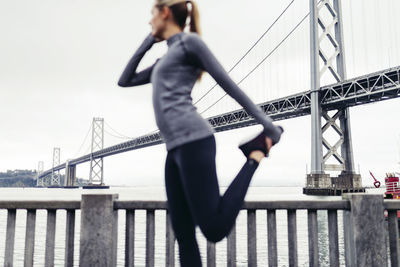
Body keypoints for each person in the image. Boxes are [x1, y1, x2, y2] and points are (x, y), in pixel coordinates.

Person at [118, 0, 283, 265]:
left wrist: (268, 125)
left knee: (214, 229)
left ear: (165, 12)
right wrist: (150, 39)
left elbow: (227, 84)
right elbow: (125, 80)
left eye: (152, 15)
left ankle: (255, 154)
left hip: (195, 140)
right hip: (174, 149)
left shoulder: (190, 44)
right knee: (183, 234)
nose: (149, 22)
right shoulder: (166, 57)